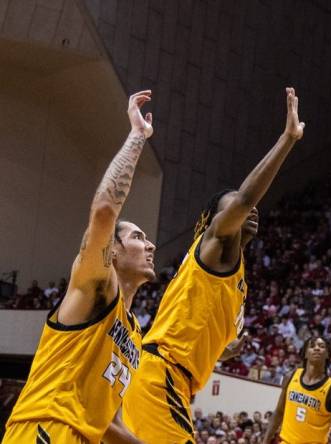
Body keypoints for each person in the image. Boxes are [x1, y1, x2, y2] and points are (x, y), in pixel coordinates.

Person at [122, 87, 305, 442]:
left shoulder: (231, 274)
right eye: (233, 205)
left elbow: (195, 322)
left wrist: (222, 348)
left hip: (173, 382)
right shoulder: (212, 244)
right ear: (213, 221)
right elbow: (249, 196)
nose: (246, 209)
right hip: (161, 377)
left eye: (245, 205)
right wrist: (287, 139)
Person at [3, 91, 156, 443]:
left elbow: (108, 424)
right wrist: (137, 136)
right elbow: (105, 210)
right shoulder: (97, 286)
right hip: (45, 430)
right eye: (137, 236)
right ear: (113, 251)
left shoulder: (133, 334)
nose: (150, 245)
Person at [263, 337, 331, 443]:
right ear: (305, 353)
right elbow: (279, 412)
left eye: (321, 346)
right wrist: (265, 441)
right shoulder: (290, 377)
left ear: (327, 354)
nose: (317, 348)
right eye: (312, 346)